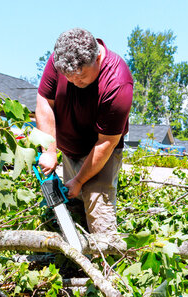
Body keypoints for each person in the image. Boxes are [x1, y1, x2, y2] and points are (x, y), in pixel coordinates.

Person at [36, 28, 133, 234]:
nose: (74, 82)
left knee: (98, 208)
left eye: (80, 77)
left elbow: (106, 142)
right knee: (72, 202)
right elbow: (44, 101)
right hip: (69, 149)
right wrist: (49, 150)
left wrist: (80, 179)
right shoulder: (58, 61)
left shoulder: (118, 82)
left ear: (97, 57)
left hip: (101, 152)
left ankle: (105, 259)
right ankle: (76, 261)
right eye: (68, 78)